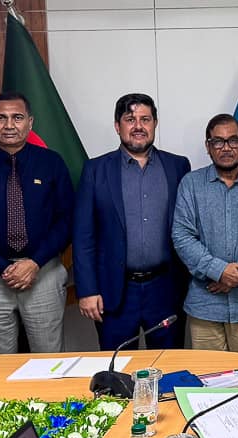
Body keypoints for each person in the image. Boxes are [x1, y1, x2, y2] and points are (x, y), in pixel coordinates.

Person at [0, 92, 73, 353]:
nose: (9, 125)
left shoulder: (51, 163)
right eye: (1, 118)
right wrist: (3, 268)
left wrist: (34, 263)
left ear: (30, 122)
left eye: (17, 117)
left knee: (48, 359)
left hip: (42, 272)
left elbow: (66, 220)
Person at [73, 93, 192, 350]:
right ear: (118, 126)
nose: (138, 126)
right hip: (113, 291)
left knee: (168, 368)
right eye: (130, 119)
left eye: (145, 119)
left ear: (155, 124)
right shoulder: (95, 170)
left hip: (166, 290)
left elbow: (189, 228)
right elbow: (84, 236)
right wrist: (87, 290)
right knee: (117, 373)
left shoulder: (178, 166)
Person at [172, 114, 238, 353]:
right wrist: (219, 271)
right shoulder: (191, 184)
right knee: (208, 381)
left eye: (233, 141)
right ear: (208, 146)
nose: (226, 148)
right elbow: (182, 236)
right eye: (218, 142)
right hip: (205, 303)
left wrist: (236, 276)